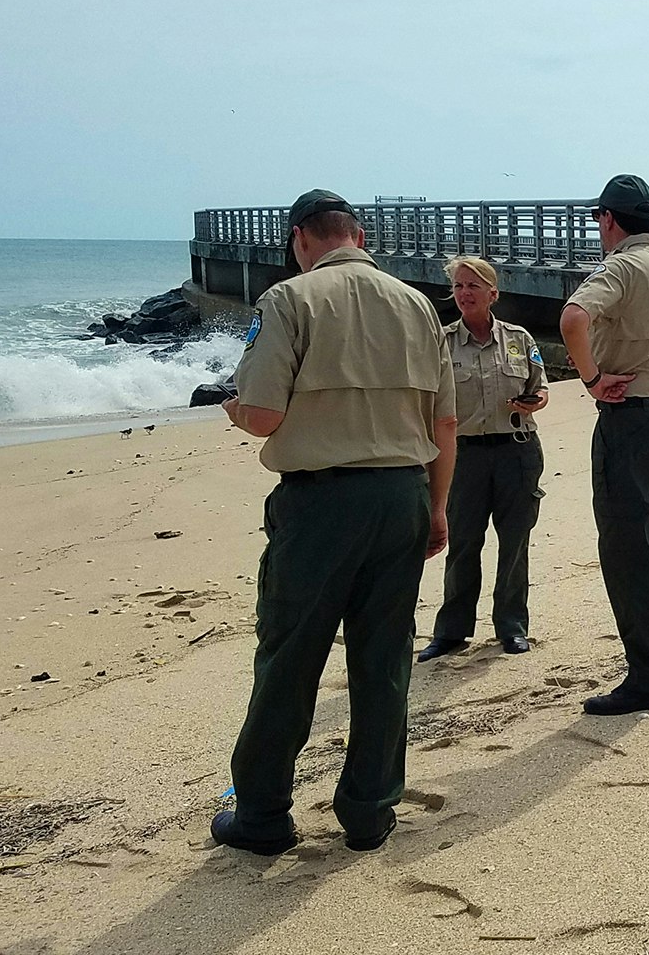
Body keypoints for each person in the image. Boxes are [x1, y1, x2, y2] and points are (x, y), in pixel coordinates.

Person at [212, 189, 457, 856]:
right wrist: (437, 507)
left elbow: (263, 415)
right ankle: (370, 810)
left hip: (321, 503)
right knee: (383, 661)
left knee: (291, 657)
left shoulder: (289, 301)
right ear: (359, 234)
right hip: (404, 493)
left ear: (300, 239)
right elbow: (444, 421)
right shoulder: (416, 305)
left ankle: (261, 814)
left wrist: (234, 409)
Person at [559, 174, 649, 716]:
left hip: (629, 419)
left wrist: (593, 378)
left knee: (627, 550)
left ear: (609, 219)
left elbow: (573, 317)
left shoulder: (619, 267)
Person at [418, 256, 549, 661]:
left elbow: (540, 389)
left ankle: (512, 627)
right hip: (463, 456)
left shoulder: (519, 339)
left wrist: (533, 402)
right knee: (462, 543)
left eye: (472, 286)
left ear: (493, 293)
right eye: (458, 286)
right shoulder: (440, 342)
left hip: (517, 451)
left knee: (514, 543)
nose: (464, 294)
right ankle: (452, 631)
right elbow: (427, 402)